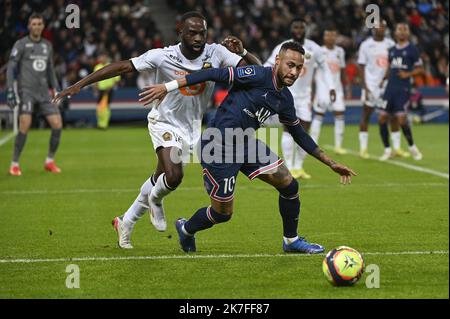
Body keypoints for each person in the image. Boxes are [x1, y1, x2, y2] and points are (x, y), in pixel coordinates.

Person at [54, 12, 261, 249]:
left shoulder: (216, 53)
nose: (198, 38)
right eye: (192, 32)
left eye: (202, 33)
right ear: (179, 33)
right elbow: (122, 67)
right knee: (173, 175)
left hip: (192, 128)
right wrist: (79, 84)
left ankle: (125, 222)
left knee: (159, 178)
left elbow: (257, 73)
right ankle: (156, 200)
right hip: (163, 122)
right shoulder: (162, 56)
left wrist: (244, 52)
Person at [140, 41, 356, 254]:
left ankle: (291, 241)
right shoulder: (258, 75)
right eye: (290, 65)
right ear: (278, 61)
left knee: (290, 186)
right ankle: (186, 229)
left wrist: (331, 163)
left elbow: (299, 134)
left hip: (246, 142)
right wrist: (166, 87)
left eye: (299, 68)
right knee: (222, 213)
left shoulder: (284, 98)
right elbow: (212, 74)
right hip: (218, 145)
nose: (294, 71)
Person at [264, 18, 336, 180]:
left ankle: (299, 167)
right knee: (289, 129)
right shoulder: (283, 47)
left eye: (301, 27)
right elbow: (268, 65)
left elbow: (324, 68)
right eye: (295, 27)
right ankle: (290, 166)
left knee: (305, 130)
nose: (298, 30)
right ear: (291, 29)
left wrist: (331, 86)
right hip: (286, 94)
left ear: (306, 29)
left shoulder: (314, 48)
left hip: (305, 97)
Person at [6, 13, 62, 176]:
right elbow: (11, 67)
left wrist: (57, 88)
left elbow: (50, 70)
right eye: (34, 24)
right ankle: (14, 163)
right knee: (25, 124)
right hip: (27, 91)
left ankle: (49, 161)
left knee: (57, 124)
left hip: (44, 92)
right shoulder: (21, 44)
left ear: (43, 26)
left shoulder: (47, 46)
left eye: (39, 24)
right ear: (29, 26)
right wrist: (10, 89)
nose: (36, 26)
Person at [357, 20, 409, 159]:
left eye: (383, 26)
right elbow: (361, 66)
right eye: (377, 26)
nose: (380, 28)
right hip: (371, 85)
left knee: (392, 117)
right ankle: (363, 149)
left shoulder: (391, 44)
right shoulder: (366, 45)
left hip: (387, 86)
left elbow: (396, 64)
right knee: (366, 115)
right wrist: (365, 86)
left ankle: (396, 148)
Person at [378, 22, 424, 161]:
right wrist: (384, 78)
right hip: (389, 88)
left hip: (403, 89)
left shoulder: (412, 49)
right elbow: (390, 67)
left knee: (402, 120)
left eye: (405, 29)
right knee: (382, 118)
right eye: (399, 29)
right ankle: (387, 150)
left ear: (408, 33)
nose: (402, 32)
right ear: (395, 33)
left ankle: (412, 147)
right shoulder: (391, 50)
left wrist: (407, 74)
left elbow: (420, 69)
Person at [310, 26, 347, 152]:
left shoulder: (340, 51)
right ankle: (313, 145)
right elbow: (313, 71)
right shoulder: (318, 51)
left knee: (340, 114)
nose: (330, 38)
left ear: (336, 37)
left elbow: (341, 70)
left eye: (332, 35)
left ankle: (338, 146)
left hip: (337, 88)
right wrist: (312, 90)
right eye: (327, 35)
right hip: (322, 89)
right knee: (319, 114)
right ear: (324, 37)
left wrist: (346, 86)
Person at [93, 52, 121, 129]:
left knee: (106, 107)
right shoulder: (97, 67)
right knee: (99, 107)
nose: (102, 58)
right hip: (100, 90)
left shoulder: (111, 66)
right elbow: (94, 79)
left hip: (109, 90)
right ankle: (100, 123)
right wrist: (95, 89)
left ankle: (104, 124)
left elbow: (117, 79)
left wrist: (111, 86)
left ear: (106, 57)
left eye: (103, 57)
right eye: (101, 57)